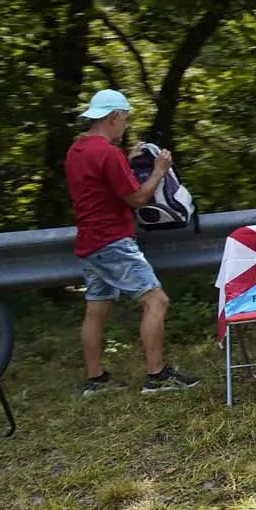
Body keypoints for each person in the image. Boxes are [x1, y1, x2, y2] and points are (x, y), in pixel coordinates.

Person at [65, 88, 199, 397]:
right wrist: (158, 171)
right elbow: (138, 198)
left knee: (96, 309)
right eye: (124, 119)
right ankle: (157, 377)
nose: (124, 126)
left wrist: (126, 160)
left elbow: (99, 179)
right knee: (157, 301)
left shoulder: (77, 151)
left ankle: (95, 380)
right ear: (113, 117)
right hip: (113, 242)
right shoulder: (108, 154)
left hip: (89, 243)